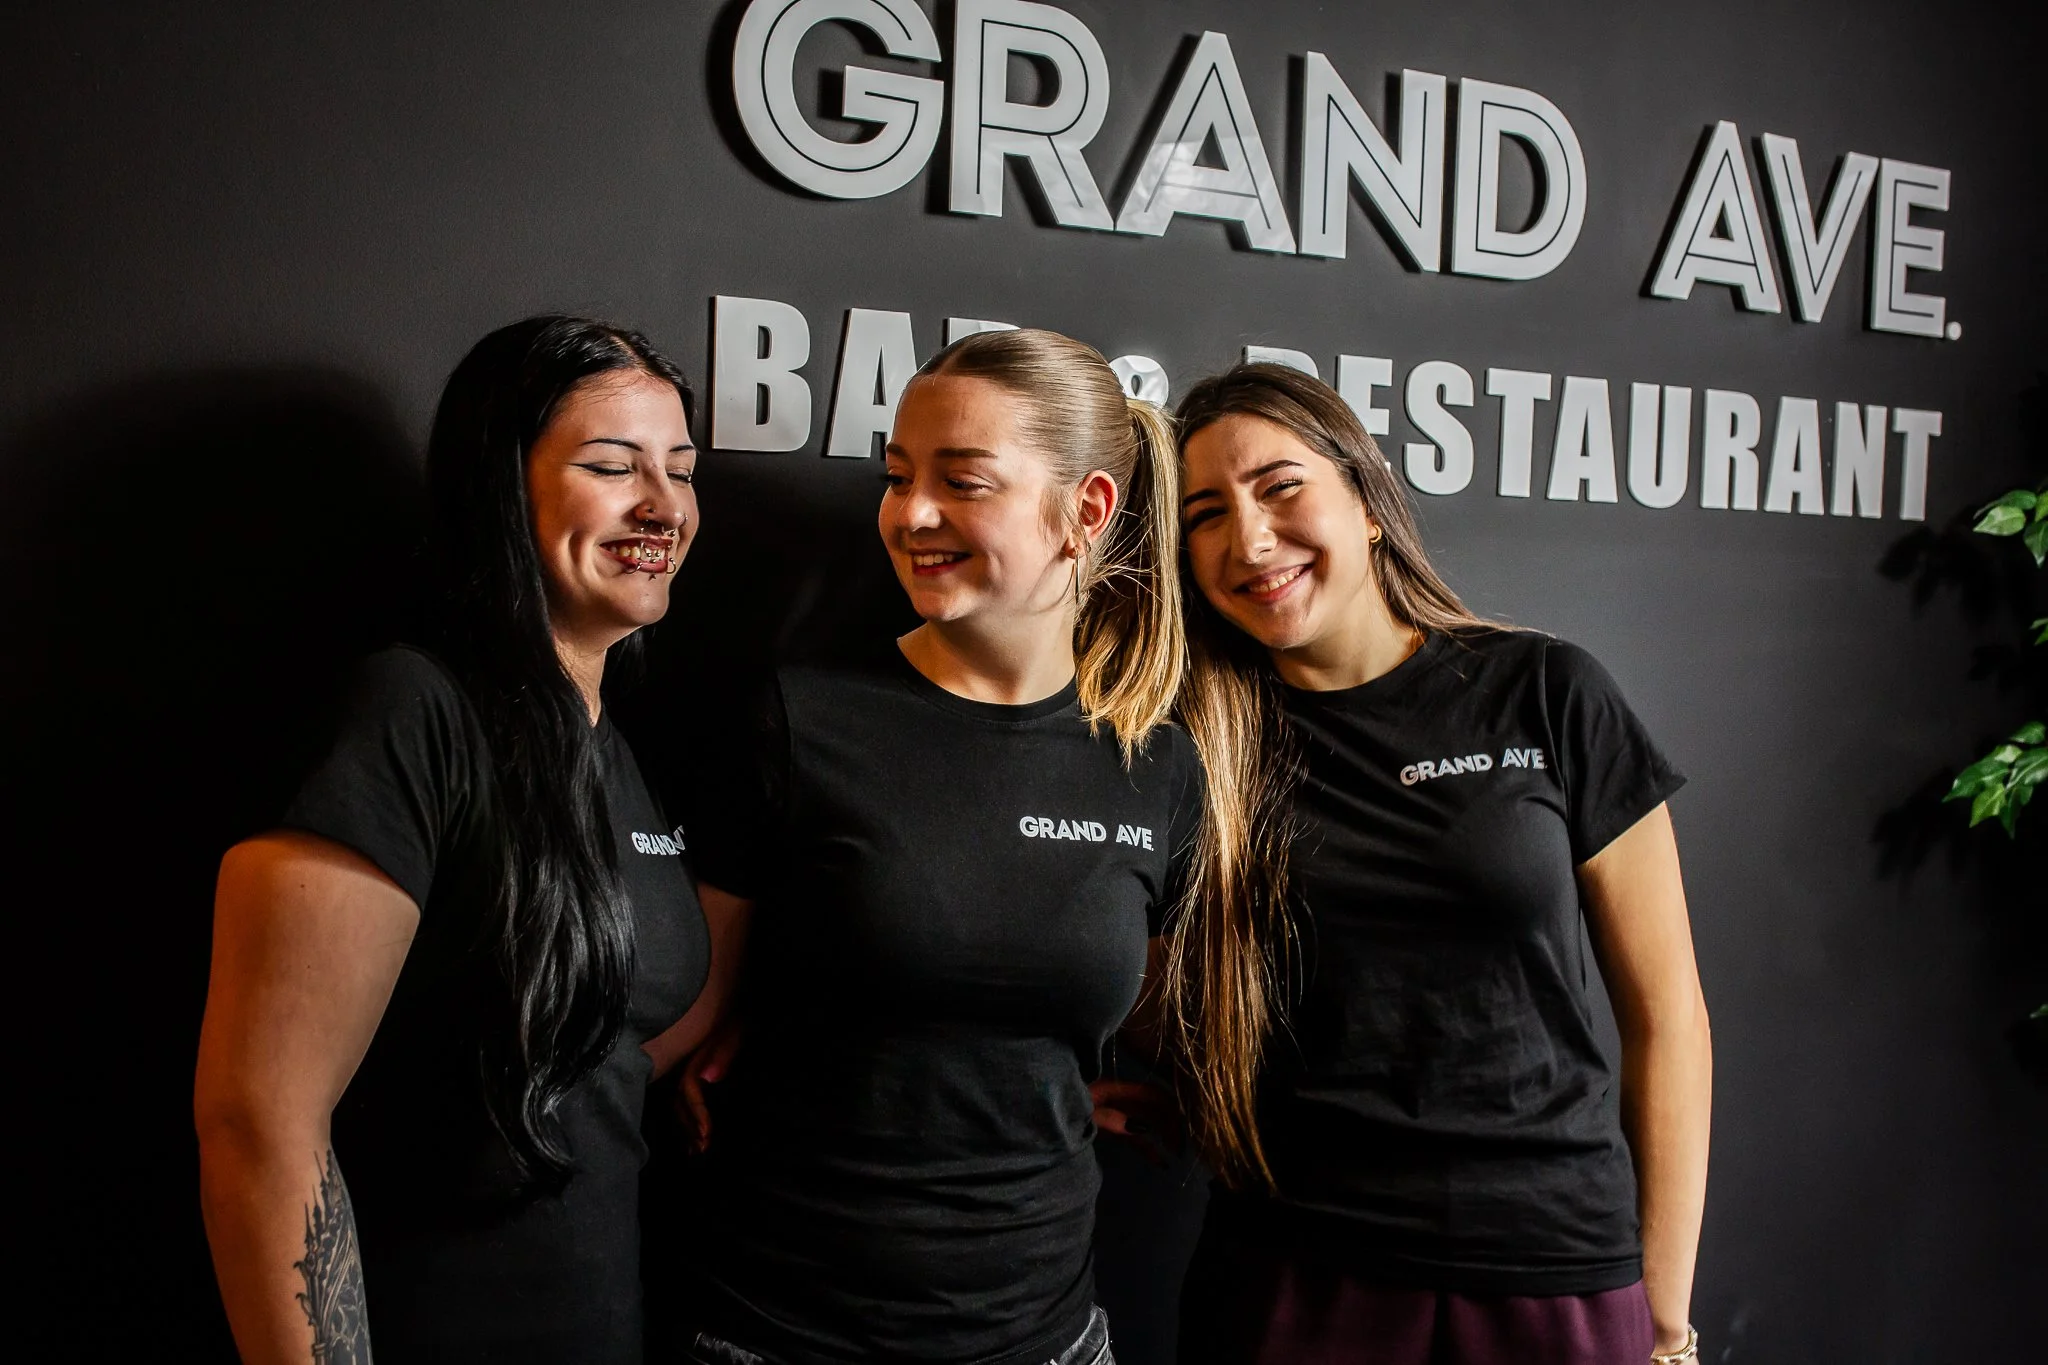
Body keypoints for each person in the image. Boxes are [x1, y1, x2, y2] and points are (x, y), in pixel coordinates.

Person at [668, 328, 1202, 1365]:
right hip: (785, 1335)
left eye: (961, 481)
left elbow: (1125, 1014)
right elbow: (686, 1015)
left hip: (1045, 1340)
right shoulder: (803, 719)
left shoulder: (1154, 768)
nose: (909, 514)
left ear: (1085, 511)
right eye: (896, 477)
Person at [1161, 364, 1713, 1365]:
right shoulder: (1195, 742)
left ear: (1366, 504)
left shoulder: (1542, 689)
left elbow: (1666, 1016)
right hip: (1296, 1269)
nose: (1248, 539)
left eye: (1280, 487)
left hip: (1547, 1263)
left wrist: (1664, 1322)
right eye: (1204, 513)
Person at [195, 316, 717, 1365]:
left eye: (680, 469)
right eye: (612, 467)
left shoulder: (612, 747)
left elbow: (602, 1029)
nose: (661, 505)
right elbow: (261, 1123)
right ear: (500, 487)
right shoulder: (413, 711)